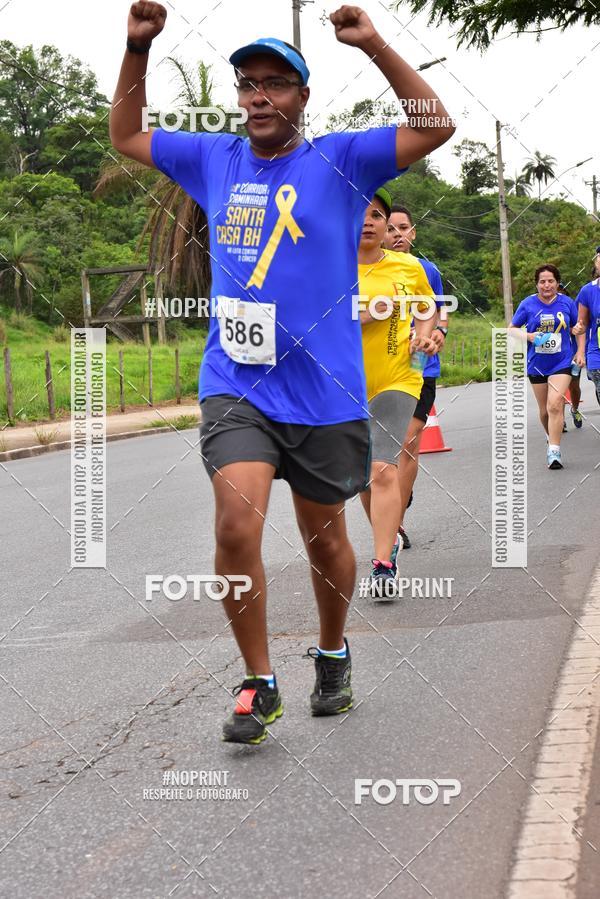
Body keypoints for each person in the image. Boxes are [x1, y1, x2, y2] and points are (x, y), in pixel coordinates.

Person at [110, 2, 454, 744]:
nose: (259, 96)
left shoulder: (342, 160)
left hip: (325, 391)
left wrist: (375, 45)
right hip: (236, 381)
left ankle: (333, 652)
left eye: (276, 83)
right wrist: (137, 49)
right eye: (248, 84)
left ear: (302, 97)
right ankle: (259, 680)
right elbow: (127, 134)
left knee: (325, 539)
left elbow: (435, 126)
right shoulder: (213, 159)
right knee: (237, 523)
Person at [357, 188, 436, 598]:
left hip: (399, 378)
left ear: (387, 225)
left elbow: (428, 307)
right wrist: (366, 314)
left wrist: (424, 338)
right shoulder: (326, 267)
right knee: (360, 480)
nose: (368, 220)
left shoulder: (408, 266)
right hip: (342, 383)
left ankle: (383, 564)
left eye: (377, 215)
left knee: (381, 469)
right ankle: (385, 538)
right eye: (360, 213)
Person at [383, 204, 447, 549]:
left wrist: (439, 334)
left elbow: (440, 312)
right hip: (378, 368)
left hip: (419, 366)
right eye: (390, 229)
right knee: (382, 452)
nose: (396, 235)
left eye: (402, 228)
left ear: (413, 233)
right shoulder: (367, 269)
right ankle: (393, 501)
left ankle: (396, 524)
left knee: (408, 442)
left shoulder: (427, 270)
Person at [509, 264, 585, 470]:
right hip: (537, 364)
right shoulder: (528, 304)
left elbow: (577, 328)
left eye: (550, 281)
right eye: (542, 281)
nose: (546, 285)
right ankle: (550, 433)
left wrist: (579, 347)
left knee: (555, 403)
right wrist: (529, 336)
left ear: (557, 283)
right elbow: (512, 329)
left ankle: (554, 450)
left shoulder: (567, 302)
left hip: (561, 362)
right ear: (537, 284)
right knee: (544, 411)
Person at [574, 250, 600, 408]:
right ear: (597, 265)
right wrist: (580, 352)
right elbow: (582, 323)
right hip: (596, 351)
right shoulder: (587, 291)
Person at [558, 283, 583, 429]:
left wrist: (580, 352)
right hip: (556, 357)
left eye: (561, 293)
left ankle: (575, 409)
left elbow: (581, 330)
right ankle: (559, 419)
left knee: (574, 387)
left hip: (572, 354)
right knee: (559, 390)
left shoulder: (570, 308)